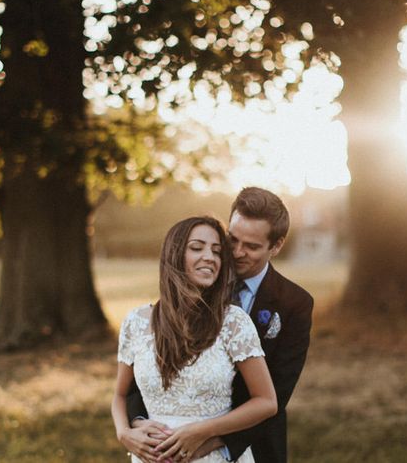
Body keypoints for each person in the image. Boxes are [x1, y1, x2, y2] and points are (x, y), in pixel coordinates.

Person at [125, 187, 314, 463]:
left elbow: (277, 394)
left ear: (276, 246)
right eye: (232, 240)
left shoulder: (294, 304)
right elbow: (144, 368)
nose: (236, 253)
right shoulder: (197, 284)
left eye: (251, 246)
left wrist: (209, 443)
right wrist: (138, 422)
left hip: (254, 445)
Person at [112, 215, 278, 463]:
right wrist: (125, 433)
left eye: (217, 251)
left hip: (213, 456)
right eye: (197, 248)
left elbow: (266, 401)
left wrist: (203, 431)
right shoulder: (136, 322)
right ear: (174, 255)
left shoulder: (234, 322)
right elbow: (120, 395)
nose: (209, 257)